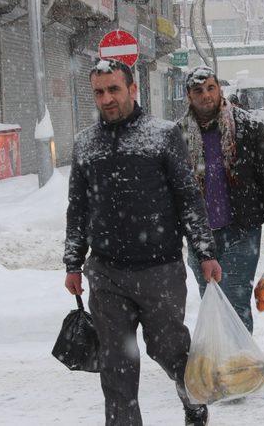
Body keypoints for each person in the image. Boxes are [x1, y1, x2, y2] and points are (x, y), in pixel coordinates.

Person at [63, 59, 221, 426]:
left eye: (114, 89)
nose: (106, 99)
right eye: (99, 92)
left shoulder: (163, 135)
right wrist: (73, 261)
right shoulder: (86, 144)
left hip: (160, 271)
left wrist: (206, 252)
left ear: (133, 90)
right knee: (116, 368)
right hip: (106, 274)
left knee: (169, 349)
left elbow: (187, 198)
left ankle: (193, 400)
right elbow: (78, 207)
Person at [178, 65, 264, 334]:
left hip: (242, 229)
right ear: (189, 96)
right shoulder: (178, 135)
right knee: (212, 300)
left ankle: (240, 364)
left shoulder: (248, 127)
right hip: (200, 235)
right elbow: (176, 190)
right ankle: (219, 356)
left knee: (236, 299)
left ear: (220, 90)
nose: (206, 95)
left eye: (211, 88)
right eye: (198, 91)